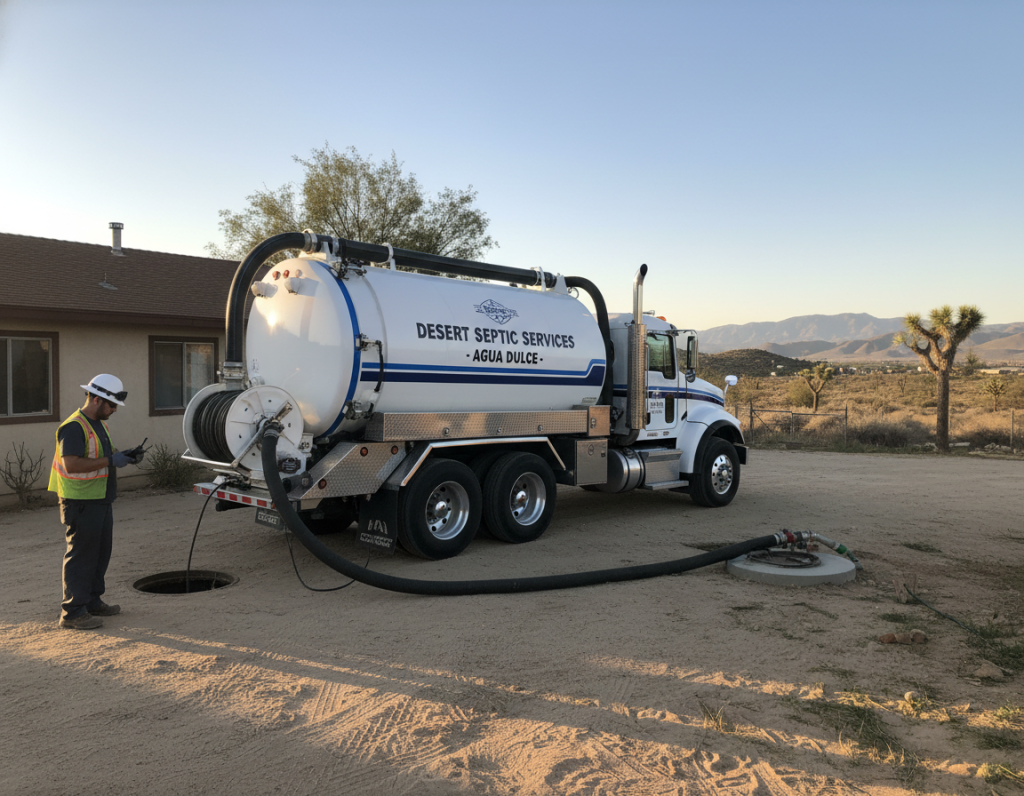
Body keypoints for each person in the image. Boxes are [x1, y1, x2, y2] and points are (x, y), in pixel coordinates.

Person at [48, 374, 146, 630]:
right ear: (96, 399)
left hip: (100, 499)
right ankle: (72, 612)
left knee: (100, 554)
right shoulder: (73, 426)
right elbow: (72, 463)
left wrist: (125, 455)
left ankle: (92, 600)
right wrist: (111, 461)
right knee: (81, 555)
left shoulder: (98, 424)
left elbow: (105, 454)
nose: (114, 410)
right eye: (111, 405)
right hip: (80, 502)